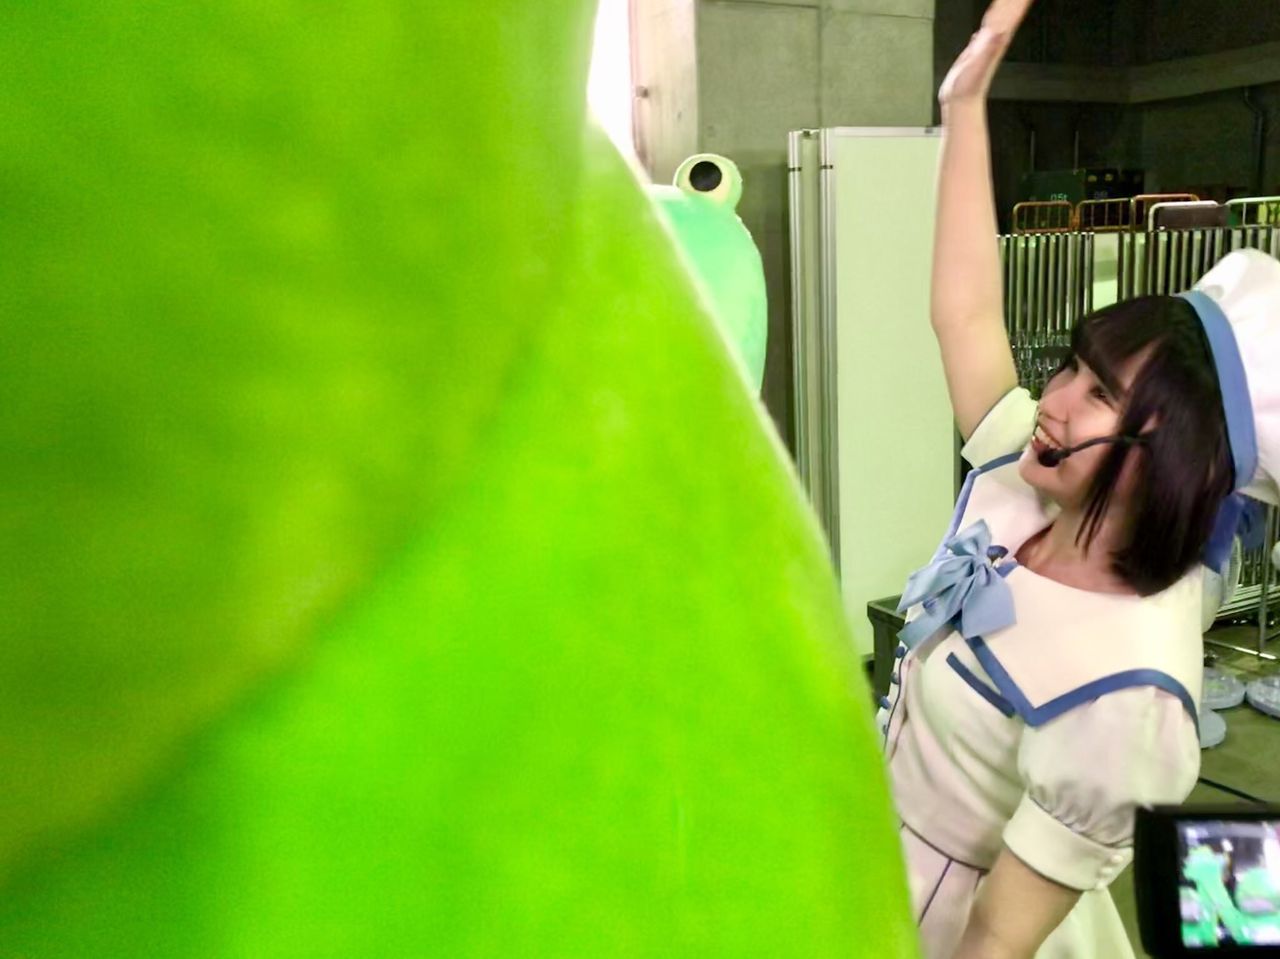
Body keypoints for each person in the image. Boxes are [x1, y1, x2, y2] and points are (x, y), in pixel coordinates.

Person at [876, 0, 1280, 956]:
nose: (1053, 399)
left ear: (1180, 458)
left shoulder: (1131, 688)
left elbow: (996, 939)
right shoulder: (1027, 485)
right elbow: (965, 315)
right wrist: (964, 106)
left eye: (1099, 394)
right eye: (1071, 366)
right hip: (880, 858)